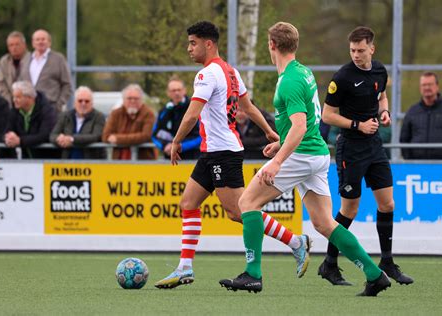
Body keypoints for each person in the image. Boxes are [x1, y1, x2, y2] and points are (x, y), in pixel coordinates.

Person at [219, 22, 391, 296]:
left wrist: (277, 162)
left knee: (246, 203)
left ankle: (252, 274)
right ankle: (374, 274)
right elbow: (306, 123)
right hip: (317, 153)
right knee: (324, 223)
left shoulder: (289, 80)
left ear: (271, 46)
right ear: (295, 45)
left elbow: (299, 126)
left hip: (302, 155)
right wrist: (280, 144)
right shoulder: (303, 72)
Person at [155, 21, 309, 289]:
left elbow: (192, 113)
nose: (189, 48)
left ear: (208, 44)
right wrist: (269, 131)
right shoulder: (231, 71)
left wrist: (177, 141)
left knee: (239, 212)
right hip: (212, 152)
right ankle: (184, 268)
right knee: (188, 204)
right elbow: (248, 107)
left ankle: (296, 242)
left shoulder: (206, 74)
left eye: (193, 43)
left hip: (223, 153)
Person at [319, 26, 413, 286]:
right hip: (351, 148)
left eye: (361, 50)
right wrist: (357, 125)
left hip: (374, 147)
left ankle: (387, 261)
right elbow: (327, 116)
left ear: (372, 48)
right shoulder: (343, 78)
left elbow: (382, 97)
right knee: (350, 209)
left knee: (388, 204)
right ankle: (329, 263)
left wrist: (384, 112)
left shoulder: (380, 71)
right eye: (352, 50)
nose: (356, 55)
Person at [400, 72, 442, 159]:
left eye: (430, 84)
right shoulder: (412, 111)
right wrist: (409, 160)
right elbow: (404, 138)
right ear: (420, 88)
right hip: (417, 166)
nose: (427, 88)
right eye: (424, 85)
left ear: (437, 86)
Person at [21, 29, 72, 112]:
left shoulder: (58, 59)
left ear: (49, 42)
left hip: (50, 108)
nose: (40, 42)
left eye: (43, 39)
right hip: (28, 109)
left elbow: (67, 85)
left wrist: (58, 104)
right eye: (37, 40)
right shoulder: (26, 59)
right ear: (33, 43)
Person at [102, 84, 157, 160]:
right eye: (129, 98)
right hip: (118, 161)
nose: (132, 101)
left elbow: (145, 136)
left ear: (141, 100)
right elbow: (105, 136)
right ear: (123, 100)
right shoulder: (115, 113)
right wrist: (135, 137)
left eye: (136, 99)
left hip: (143, 162)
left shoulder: (148, 114)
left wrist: (118, 139)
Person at [4, 80, 57, 159]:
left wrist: (20, 141)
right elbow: (7, 130)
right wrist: (8, 137)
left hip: (47, 160)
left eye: (18, 97)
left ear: (29, 98)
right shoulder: (14, 111)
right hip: (27, 160)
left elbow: (44, 135)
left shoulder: (47, 111)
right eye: (13, 97)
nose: (14, 100)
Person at [50, 86, 106, 159]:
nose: (83, 104)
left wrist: (72, 139)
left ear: (92, 103)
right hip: (67, 165)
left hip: (91, 164)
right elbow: (53, 135)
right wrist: (59, 139)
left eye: (87, 101)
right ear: (75, 103)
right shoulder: (65, 116)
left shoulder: (99, 116)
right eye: (80, 101)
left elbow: (96, 136)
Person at [152, 76, 200, 159]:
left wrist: (181, 146)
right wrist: (165, 146)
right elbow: (154, 135)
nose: (176, 93)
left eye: (179, 90)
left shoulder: (194, 108)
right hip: (169, 158)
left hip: (193, 157)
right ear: (168, 93)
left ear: (184, 90)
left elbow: (202, 135)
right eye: (173, 90)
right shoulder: (163, 111)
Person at [0, 31, 31, 106]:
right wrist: (9, 101)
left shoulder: (33, 60)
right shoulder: (4, 61)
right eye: (11, 45)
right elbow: (0, 83)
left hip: (29, 103)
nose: (14, 48)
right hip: (9, 103)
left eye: (17, 44)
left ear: (24, 45)